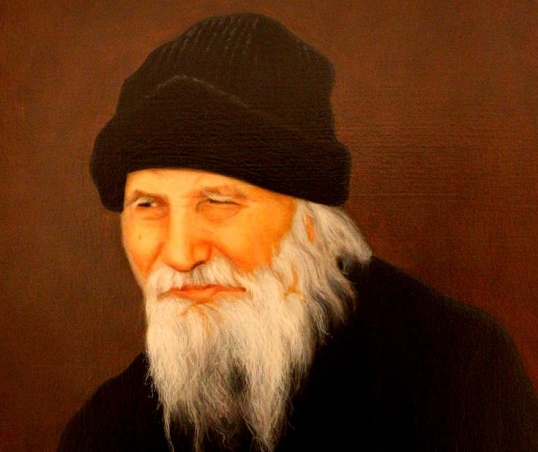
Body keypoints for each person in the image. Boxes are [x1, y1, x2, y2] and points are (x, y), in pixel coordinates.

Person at [58, 13, 538, 452]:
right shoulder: (109, 426)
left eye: (219, 203)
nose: (181, 254)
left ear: (309, 221)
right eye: (148, 206)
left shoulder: (459, 368)